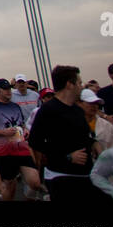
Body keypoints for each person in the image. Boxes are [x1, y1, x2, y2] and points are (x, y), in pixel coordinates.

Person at [24, 64, 103, 203]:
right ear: (69, 84)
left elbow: (83, 137)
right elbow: (35, 142)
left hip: (85, 174)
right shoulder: (47, 111)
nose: (81, 86)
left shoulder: (78, 110)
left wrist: (94, 143)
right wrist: (67, 156)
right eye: (79, 82)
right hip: (60, 176)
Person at [0, 78, 43, 201]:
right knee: (10, 186)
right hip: (4, 152)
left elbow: (21, 124)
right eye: (5, 89)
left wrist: (25, 130)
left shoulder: (15, 106)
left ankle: (28, 197)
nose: (9, 91)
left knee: (35, 182)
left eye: (9, 88)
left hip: (21, 148)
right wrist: (2, 132)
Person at [79, 89, 113, 155]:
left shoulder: (107, 126)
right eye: (90, 103)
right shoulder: (73, 124)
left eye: (96, 103)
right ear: (79, 103)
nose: (94, 106)